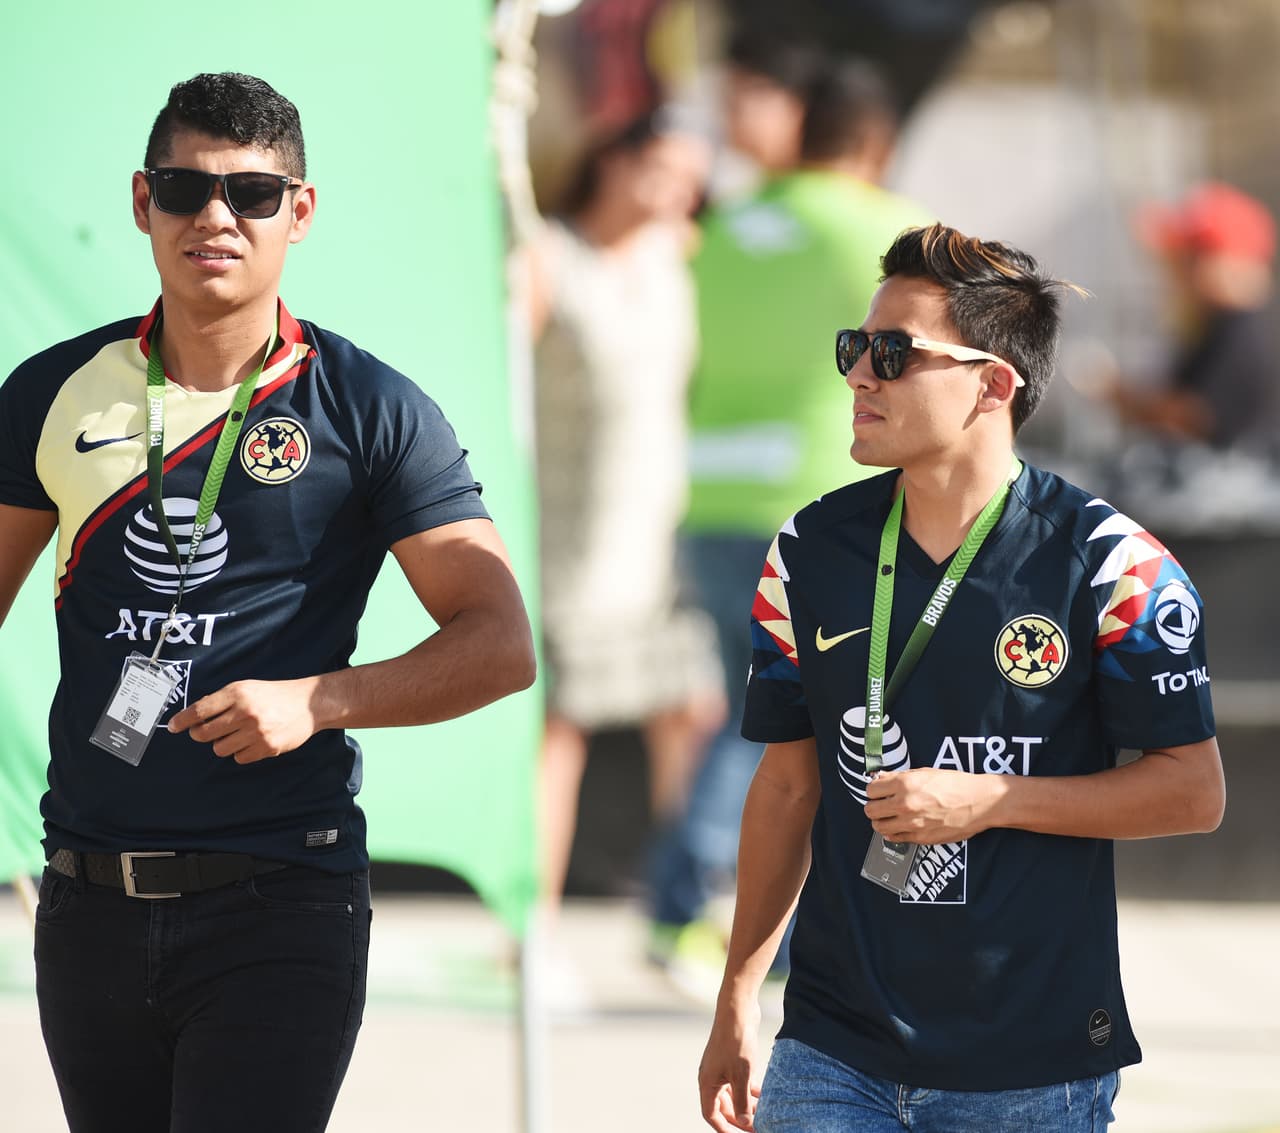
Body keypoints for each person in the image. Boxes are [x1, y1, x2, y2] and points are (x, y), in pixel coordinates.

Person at [0, 73, 535, 1133]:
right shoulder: (54, 389)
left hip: (281, 893)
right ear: (141, 199)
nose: (213, 216)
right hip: (86, 896)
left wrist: (320, 700)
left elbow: (499, 642)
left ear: (300, 210)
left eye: (250, 192)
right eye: (185, 187)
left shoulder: (368, 405)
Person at [697, 222, 1225, 1132]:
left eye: (893, 353)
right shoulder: (808, 550)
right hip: (830, 1046)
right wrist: (738, 993)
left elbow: (1193, 793)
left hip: (1032, 1061)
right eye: (854, 348)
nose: (859, 374)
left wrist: (992, 799)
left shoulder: (1114, 566)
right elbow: (787, 785)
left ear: (993, 383)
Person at [646, 47, 931, 995]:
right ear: (876, 142)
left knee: (751, 704)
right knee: (793, 715)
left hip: (710, 494)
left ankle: (712, 903)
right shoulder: (890, 232)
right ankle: (691, 901)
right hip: (815, 502)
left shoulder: (723, 225)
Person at [522, 111, 724, 998]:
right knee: (556, 735)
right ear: (613, 161)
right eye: (665, 167)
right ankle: (531, 932)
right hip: (566, 539)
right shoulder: (544, 259)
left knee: (696, 714)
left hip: (662, 535)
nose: (683, 190)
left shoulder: (677, 258)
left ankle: (686, 917)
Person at [1101, 181, 1278, 453]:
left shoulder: (1239, 331)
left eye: (1189, 259)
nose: (1176, 273)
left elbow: (1194, 419)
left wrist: (1130, 401)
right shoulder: (1213, 324)